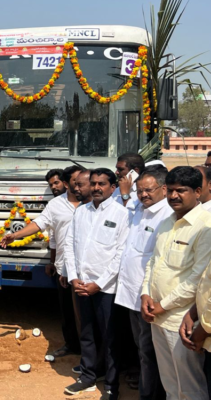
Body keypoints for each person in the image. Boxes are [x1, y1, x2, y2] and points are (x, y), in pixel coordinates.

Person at [2, 166, 87, 359]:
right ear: (68, 184)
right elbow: (40, 224)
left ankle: (92, 354)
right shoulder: (56, 204)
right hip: (65, 268)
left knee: (88, 314)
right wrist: (14, 235)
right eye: (77, 180)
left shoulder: (94, 204)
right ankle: (72, 345)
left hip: (89, 268)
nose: (81, 183)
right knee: (67, 311)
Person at [141, 166, 211, 400]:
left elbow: (197, 279)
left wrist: (164, 305)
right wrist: (145, 296)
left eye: (181, 190)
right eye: (170, 190)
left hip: (181, 320)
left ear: (198, 191)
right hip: (157, 316)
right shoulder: (167, 222)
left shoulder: (205, 226)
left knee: (190, 387)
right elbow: (153, 262)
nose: (173, 196)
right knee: (170, 383)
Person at [64, 168, 130, 400]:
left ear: (113, 187)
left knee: (110, 338)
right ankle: (88, 376)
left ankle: (111, 385)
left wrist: (99, 284)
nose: (96, 188)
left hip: (107, 289)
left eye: (102, 183)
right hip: (81, 284)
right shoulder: (81, 212)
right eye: (93, 183)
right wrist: (74, 277)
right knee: (87, 334)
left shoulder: (123, 215)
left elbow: (120, 254)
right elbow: (70, 246)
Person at [114, 166, 172, 400]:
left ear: (163, 188)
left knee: (149, 351)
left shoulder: (167, 214)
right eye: (140, 191)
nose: (143, 195)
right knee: (141, 348)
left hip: (148, 295)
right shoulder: (141, 208)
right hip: (130, 292)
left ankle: (149, 396)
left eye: (148, 190)